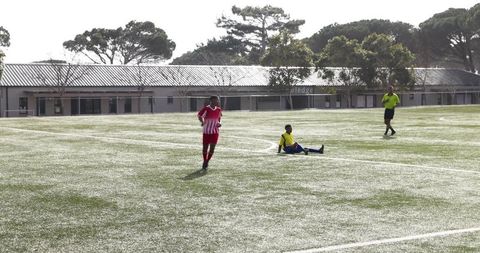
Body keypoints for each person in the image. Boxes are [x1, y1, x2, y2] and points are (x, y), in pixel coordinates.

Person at [197, 96, 222, 170]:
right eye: (215, 100)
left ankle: (206, 161)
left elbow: (219, 119)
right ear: (211, 101)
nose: (217, 102)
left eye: (217, 101)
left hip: (215, 132)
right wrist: (202, 122)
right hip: (206, 132)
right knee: (205, 148)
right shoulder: (206, 109)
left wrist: (219, 123)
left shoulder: (219, 110)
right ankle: (204, 160)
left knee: (212, 149)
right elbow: (199, 115)